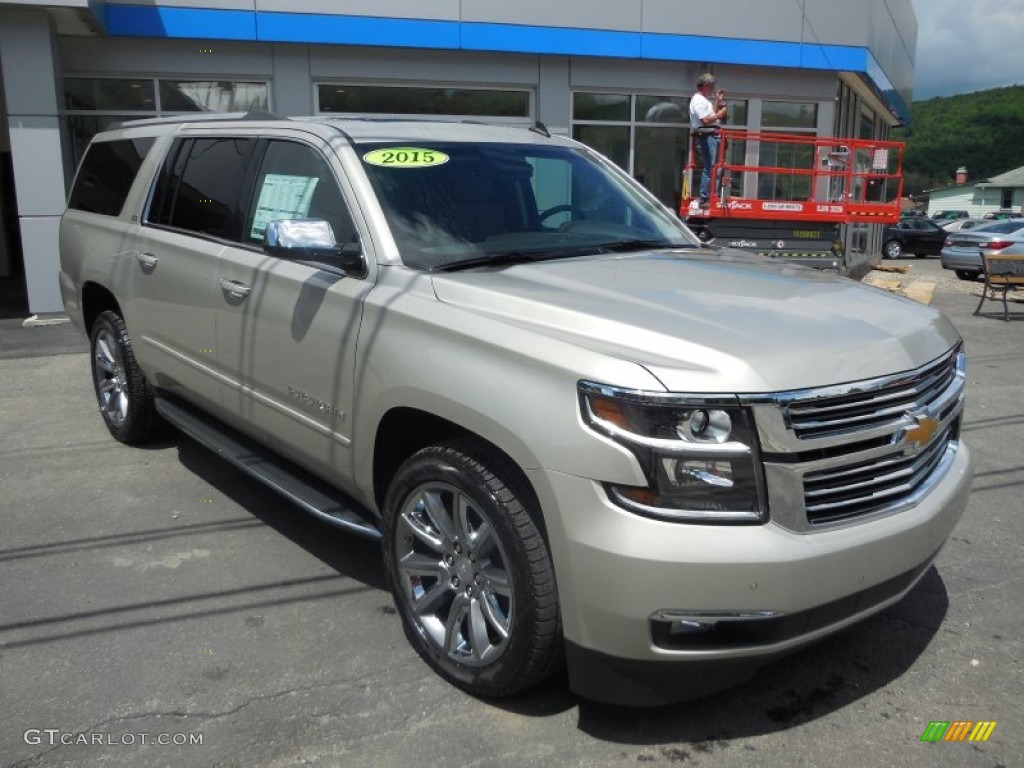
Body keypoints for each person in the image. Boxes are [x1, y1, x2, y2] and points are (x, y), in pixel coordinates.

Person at [689, 73, 728, 206]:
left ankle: (712, 195)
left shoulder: (704, 99)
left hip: (711, 134)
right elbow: (705, 120)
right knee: (710, 167)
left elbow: (710, 114)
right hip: (707, 135)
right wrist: (720, 114)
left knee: (715, 167)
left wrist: (717, 100)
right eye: (712, 86)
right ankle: (706, 197)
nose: (713, 88)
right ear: (705, 85)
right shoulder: (698, 100)